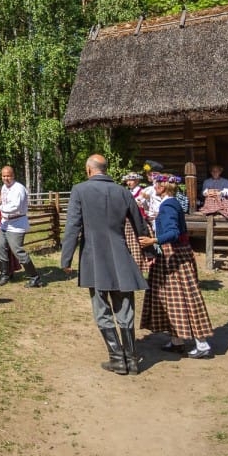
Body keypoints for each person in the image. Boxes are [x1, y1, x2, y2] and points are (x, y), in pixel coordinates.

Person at [61, 154, 149, 375]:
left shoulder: (80, 190)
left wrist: (66, 258)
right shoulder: (123, 191)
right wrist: (149, 250)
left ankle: (118, 359)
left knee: (102, 308)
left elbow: (73, 225)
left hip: (94, 257)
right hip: (121, 256)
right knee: (125, 307)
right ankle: (132, 360)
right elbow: (140, 225)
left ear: (89, 170)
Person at [139, 175, 215, 359]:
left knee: (186, 297)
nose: (155, 186)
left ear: (165, 187)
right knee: (169, 298)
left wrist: (153, 240)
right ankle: (177, 341)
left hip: (174, 256)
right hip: (169, 254)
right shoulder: (169, 204)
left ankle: (202, 344)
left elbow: (173, 232)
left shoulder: (168, 205)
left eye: (158, 183)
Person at [0, 165, 43, 288]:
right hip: (4, 222)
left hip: (17, 223)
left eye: (8, 176)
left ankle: (34, 277)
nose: (6, 178)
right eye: (4, 176)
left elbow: (15, 206)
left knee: (17, 251)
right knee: (0, 249)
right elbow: (4, 203)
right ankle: (5, 275)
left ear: (13, 175)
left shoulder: (19, 188)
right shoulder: (4, 187)